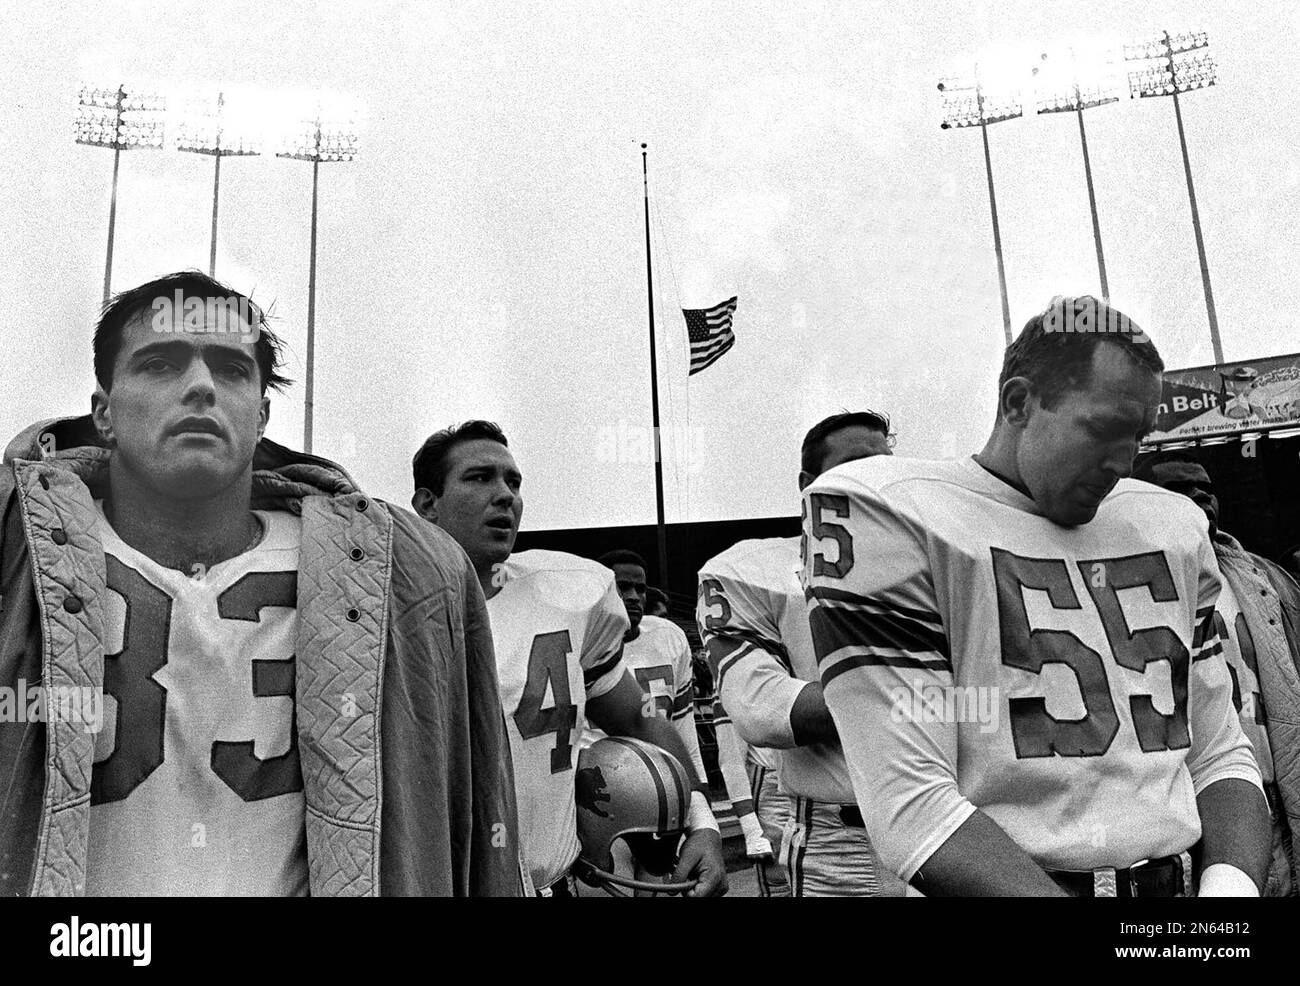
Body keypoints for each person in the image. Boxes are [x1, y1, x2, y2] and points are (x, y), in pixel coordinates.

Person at [0, 271, 520, 896]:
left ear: (262, 414)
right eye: (160, 364)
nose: (199, 387)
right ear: (104, 413)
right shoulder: (18, 547)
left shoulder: (407, 570)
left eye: (230, 369)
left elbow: (478, 805)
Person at [803, 296, 1269, 897]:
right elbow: (912, 805)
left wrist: (1227, 904)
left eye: (1138, 435)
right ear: (1019, 402)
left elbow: (1219, 751)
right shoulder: (892, 512)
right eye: (1103, 429)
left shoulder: (1171, 526)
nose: (1124, 462)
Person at [411, 421, 727, 897]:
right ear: (427, 504)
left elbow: (640, 722)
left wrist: (702, 821)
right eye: (479, 478)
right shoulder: (386, 616)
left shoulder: (563, 596)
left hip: (548, 884)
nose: (505, 496)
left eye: (513, 482)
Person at [697, 410, 905, 896]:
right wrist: (927, 692)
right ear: (808, 486)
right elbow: (765, 712)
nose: (876, 485)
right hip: (839, 839)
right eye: (855, 467)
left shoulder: (939, 562)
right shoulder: (754, 570)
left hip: (950, 822)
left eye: (886, 470)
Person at [1135, 450, 1300, 896]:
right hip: (1193, 809)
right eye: (1179, 491)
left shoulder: (1264, 580)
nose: (1199, 500)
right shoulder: (1127, 589)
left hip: (1275, 793)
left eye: (1205, 489)